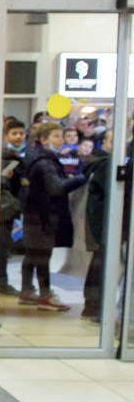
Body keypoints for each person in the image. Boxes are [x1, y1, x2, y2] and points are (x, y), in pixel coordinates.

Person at [18, 122, 86, 311]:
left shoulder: (35, 156)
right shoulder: (46, 162)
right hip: (44, 216)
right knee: (41, 255)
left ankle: (27, 290)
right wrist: (79, 179)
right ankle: (45, 294)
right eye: (56, 136)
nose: (61, 140)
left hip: (35, 214)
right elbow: (55, 188)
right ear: (43, 139)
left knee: (33, 253)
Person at [83, 130, 114, 322]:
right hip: (104, 226)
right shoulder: (106, 165)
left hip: (104, 226)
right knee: (101, 264)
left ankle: (94, 306)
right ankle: (94, 307)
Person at [0, 118, 27, 296]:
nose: (18, 137)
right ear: (5, 135)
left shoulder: (24, 158)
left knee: (5, 249)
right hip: (1, 210)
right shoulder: (0, 156)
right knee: (0, 249)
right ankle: (0, 282)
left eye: (21, 133)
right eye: (14, 133)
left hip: (11, 210)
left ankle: (2, 281)